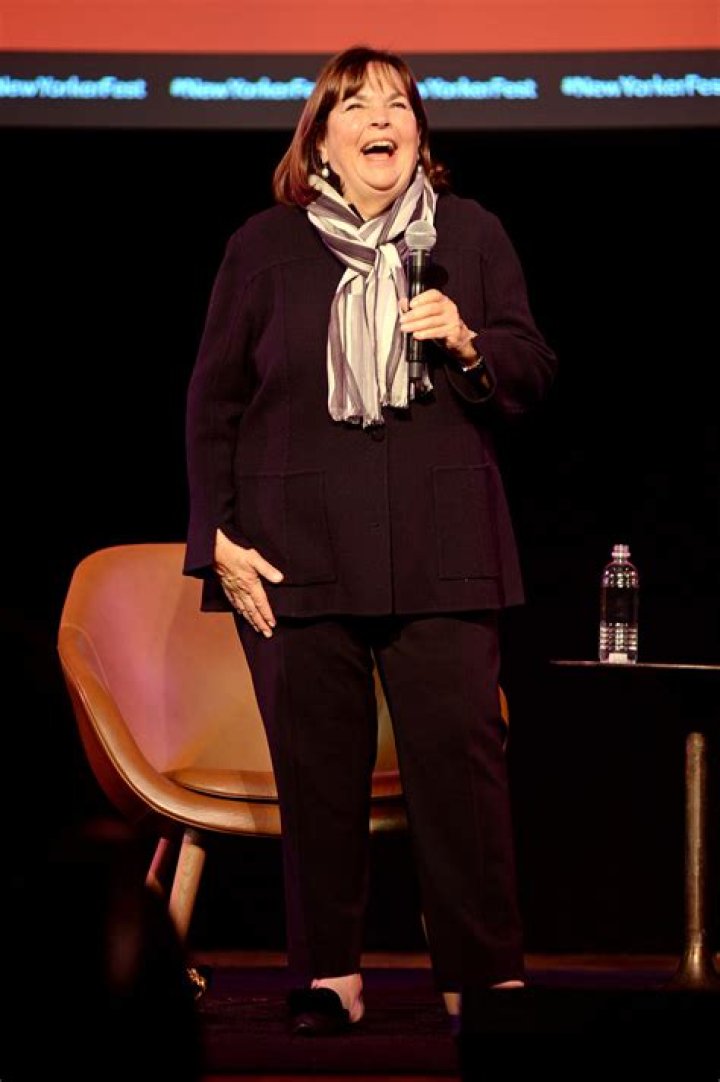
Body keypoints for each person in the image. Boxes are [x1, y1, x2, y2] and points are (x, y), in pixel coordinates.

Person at [183, 44, 557, 1037]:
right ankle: (330, 973)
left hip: (445, 546)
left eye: (396, 104)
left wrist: (469, 340)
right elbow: (213, 403)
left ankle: (482, 976)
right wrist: (217, 537)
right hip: (295, 549)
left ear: (420, 136)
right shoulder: (263, 246)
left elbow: (531, 367)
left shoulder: (470, 234)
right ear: (321, 143)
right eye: (355, 106)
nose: (379, 119)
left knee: (463, 773)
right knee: (318, 773)